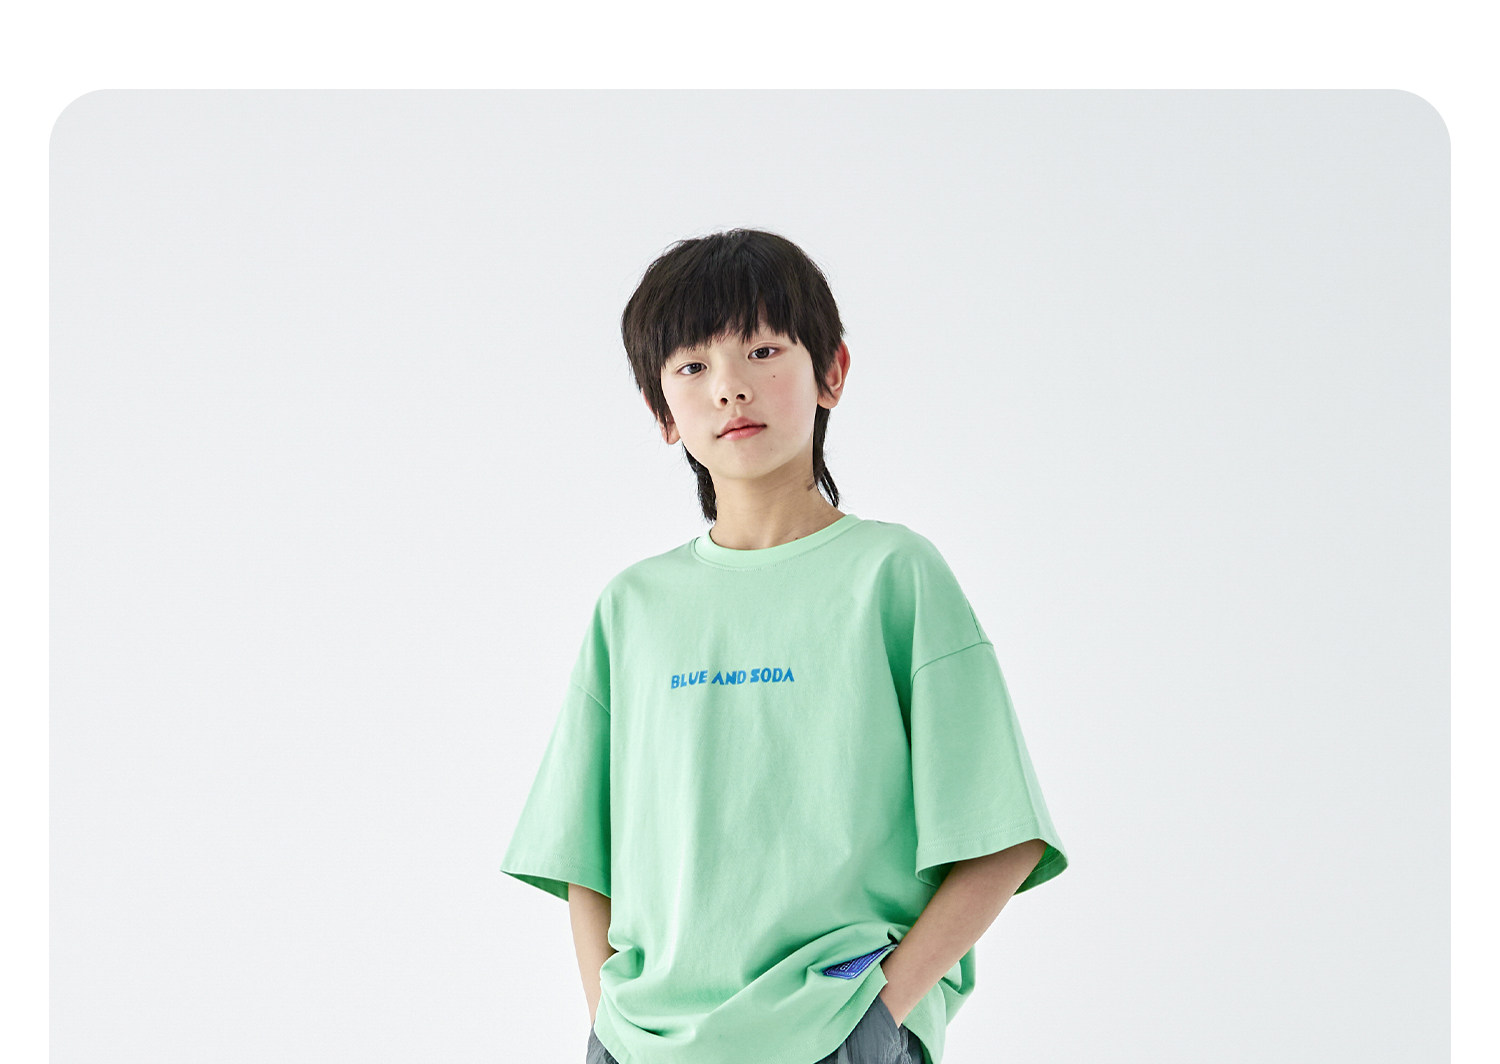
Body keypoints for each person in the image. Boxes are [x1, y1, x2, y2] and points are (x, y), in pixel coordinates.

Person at [501, 229, 1069, 1064]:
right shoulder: (633, 607)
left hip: (840, 1029)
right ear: (662, 412)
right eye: (692, 366)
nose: (730, 386)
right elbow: (582, 857)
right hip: (644, 1044)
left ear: (832, 371)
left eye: (763, 351)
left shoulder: (893, 576)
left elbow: (1004, 836)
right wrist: (610, 1021)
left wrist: (881, 1011)